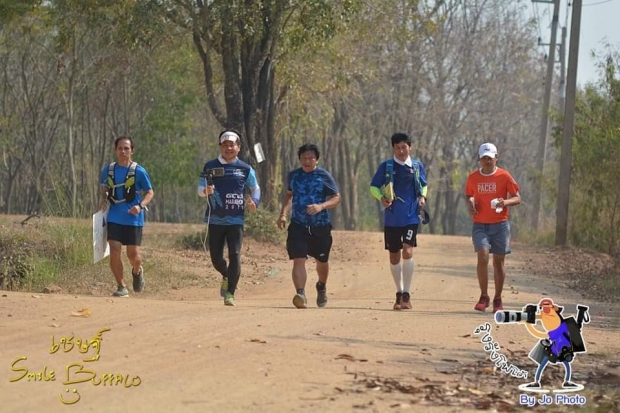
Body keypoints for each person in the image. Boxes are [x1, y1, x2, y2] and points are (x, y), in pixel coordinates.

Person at [198, 130, 260, 307]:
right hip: (215, 219)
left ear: (238, 148)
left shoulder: (245, 169)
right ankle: (226, 275)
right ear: (220, 147)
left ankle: (230, 293)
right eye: (225, 144)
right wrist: (205, 191)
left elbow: (255, 188)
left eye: (232, 144)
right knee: (216, 259)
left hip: (236, 220)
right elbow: (200, 188)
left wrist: (254, 201)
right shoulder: (209, 166)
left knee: (235, 254)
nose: (228, 148)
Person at [277, 144, 341, 309]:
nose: (307, 161)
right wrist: (283, 213)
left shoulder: (324, 176)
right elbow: (289, 196)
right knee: (298, 260)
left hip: (320, 227)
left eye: (310, 158)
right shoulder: (294, 176)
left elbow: (336, 198)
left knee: (322, 261)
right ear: (299, 159)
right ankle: (301, 293)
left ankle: (321, 286)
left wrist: (321, 206)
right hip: (298, 225)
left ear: (316, 159)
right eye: (304, 158)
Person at [370, 133, 428, 311]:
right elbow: (373, 187)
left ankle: (407, 295)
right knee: (394, 255)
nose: (401, 151)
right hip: (392, 218)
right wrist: (381, 198)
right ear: (393, 148)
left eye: (404, 147)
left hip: (411, 216)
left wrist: (423, 197)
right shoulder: (386, 166)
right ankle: (398, 291)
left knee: (408, 251)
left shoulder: (417, 166)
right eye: (397, 147)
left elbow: (423, 185)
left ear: (410, 147)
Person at [465, 142, 521, 313]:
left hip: (500, 224)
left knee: (498, 262)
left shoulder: (504, 176)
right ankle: (484, 296)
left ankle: (497, 298)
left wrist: (505, 202)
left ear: (496, 158)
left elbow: (517, 197)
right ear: (479, 160)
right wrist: (471, 204)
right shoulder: (473, 178)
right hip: (480, 224)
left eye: (490, 158)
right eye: (484, 158)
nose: (487, 161)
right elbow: (469, 195)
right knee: (482, 256)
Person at [99, 136, 154, 298]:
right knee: (114, 250)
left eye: (126, 148)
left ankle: (137, 271)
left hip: (133, 218)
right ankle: (121, 286)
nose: (123, 151)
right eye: (120, 148)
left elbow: (150, 192)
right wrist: (104, 199)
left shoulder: (139, 171)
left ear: (132, 151)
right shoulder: (108, 170)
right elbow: (105, 188)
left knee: (133, 256)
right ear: (116, 150)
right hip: (114, 216)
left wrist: (140, 206)